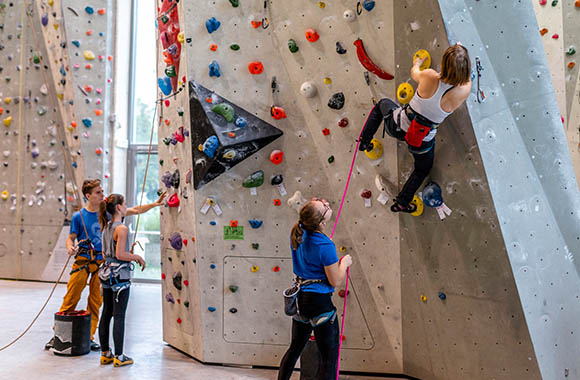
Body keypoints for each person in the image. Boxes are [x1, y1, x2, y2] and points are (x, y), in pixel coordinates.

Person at [45, 179, 165, 352]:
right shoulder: (79, 216)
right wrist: (70, 247)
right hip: (83, 261)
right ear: (88, 196)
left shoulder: (108, 215)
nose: (102, 194)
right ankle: (59, 334)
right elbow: (70, 237)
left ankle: (89, 337)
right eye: (98, 192)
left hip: (102, 264)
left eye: (102, 191)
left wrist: (154, 204)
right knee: (71, 296)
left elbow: (135, 210)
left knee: (95, 301)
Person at [359, 43, 472, 213]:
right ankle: (402, 202)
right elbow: (467, 79)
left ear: (443, 64)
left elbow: (414, 73)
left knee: (382, 105)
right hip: (421, 141)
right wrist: (462, 61)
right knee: (422, 169)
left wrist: (418, 63)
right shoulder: (462, 92)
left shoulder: (429, 75)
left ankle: (364, 141)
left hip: (397, 125)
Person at [278, 198, 353, 380]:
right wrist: (344, 263)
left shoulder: (297, 233)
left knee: (294, 349)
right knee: (328, 360)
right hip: (320, 305)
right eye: (324, 206)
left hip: (301, 302)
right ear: (322, 222)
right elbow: (335, 280)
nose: (326, 203)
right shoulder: (325, 245)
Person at [97, 194, 145, 367]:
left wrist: (126, 253)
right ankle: (119, 356)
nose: (126, 206)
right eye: (125, 203)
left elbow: (105, 254)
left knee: (106, 312)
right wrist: (136, 256)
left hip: (106, 275)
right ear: (118, 208)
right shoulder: (122, 228)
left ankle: (105, 354)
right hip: (119, 277)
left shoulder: (106, 227)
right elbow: (120, 255)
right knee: (119, 315)